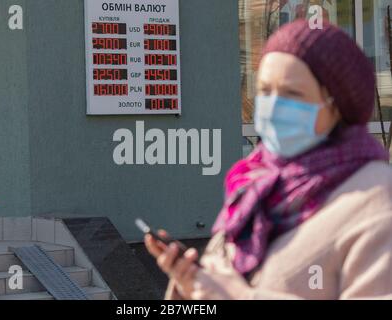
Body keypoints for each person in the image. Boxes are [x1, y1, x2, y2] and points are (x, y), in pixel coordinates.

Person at [145, 19, 392, 300]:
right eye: (264, 91)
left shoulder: (376, 200)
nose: (273, 105)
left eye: (291, 93)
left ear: (337, 104)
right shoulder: (256, 183)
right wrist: (191, 287)